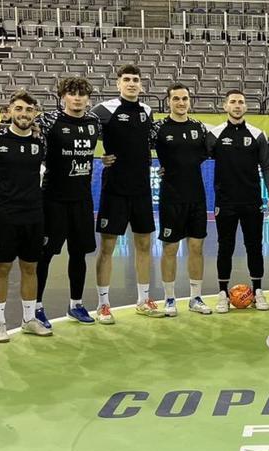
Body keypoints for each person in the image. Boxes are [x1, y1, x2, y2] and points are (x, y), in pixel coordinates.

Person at [0, 90, 52, 341]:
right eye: (18, 109)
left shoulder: (41, 141)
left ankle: (28, 320)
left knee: (31, 268)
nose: (23, 114)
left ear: (35, 113)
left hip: (34, 214)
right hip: (4, 215)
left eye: (28, 110)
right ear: (9, 111)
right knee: (2, 268)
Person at [92, 64, 158, 323]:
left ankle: (143, 299)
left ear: (141, 85)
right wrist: (99, 157)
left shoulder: (147, 111)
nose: (131, 83)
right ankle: (103, 304)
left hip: (141, 189)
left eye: (136, 80)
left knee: (144, 245)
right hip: (114, 189)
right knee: (107, 247)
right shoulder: (104, 110)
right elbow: (83, 132)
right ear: (118, 83)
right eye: (127, 79)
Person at [34, 76, 101, 324]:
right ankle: (36, 307)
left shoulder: (94, 122)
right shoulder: (49, 121)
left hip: (82, 200)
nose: (77, 98)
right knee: (45, 255)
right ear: (63, 96)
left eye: (82, 94)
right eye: (72, 93)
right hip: (53, 199)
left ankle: (76, 304)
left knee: (79, 254)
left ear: (88, 98)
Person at [207, 90, 269, 313]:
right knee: (224, 247)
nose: (237, 105)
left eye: (241, 102)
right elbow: (194, 156)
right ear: (225, 106)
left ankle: (258, 292)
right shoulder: (215, 134)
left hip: (251, 201)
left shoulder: (257, 134)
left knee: (254, 246)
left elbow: (266, 166)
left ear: (246, 107)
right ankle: (222, 294)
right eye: (233, 102)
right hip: (224, 201)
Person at [151, 83, 213, 316]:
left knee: (196, 247)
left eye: (184, 98)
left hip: (196, 196)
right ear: (168, 101)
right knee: (170, 248)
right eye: (176, 98)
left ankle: (195, 297)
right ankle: (169, 299)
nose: (180, 102)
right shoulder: (158, 128)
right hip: (171, 197)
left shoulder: (198, 127)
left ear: (190, 101)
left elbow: (214, 149)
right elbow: (137, 147)